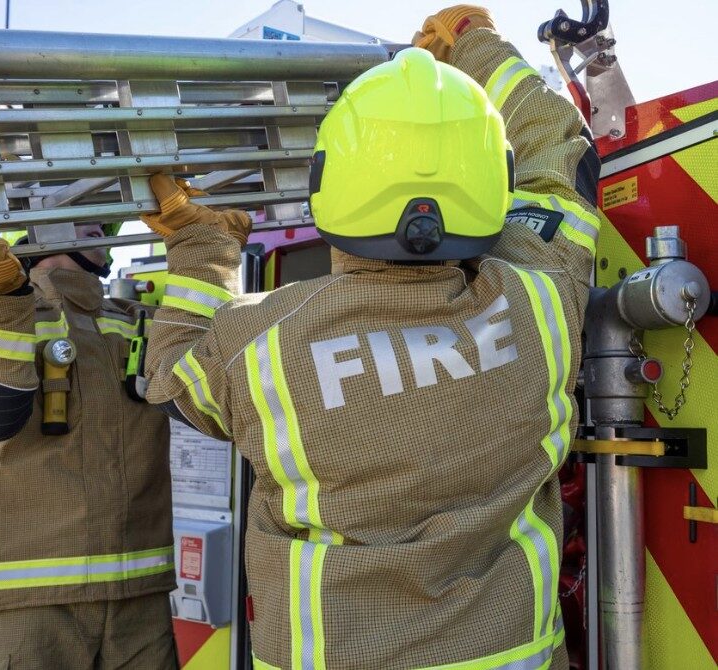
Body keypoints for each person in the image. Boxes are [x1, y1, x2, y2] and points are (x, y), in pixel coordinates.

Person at [140, 5, 600, 668]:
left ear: (330, 183)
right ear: (489, 179)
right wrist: (474, 45)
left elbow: (173, 375)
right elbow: (559, 150)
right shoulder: (542, 300)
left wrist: (201, 246)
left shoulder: (259, 346)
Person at [0, 223, 178, 669]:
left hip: (140, 598)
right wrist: (5, 306)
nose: (104, 229)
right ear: (37, 231)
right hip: (30, 601)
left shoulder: (137, 319)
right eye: (86, 217)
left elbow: (209, 376)